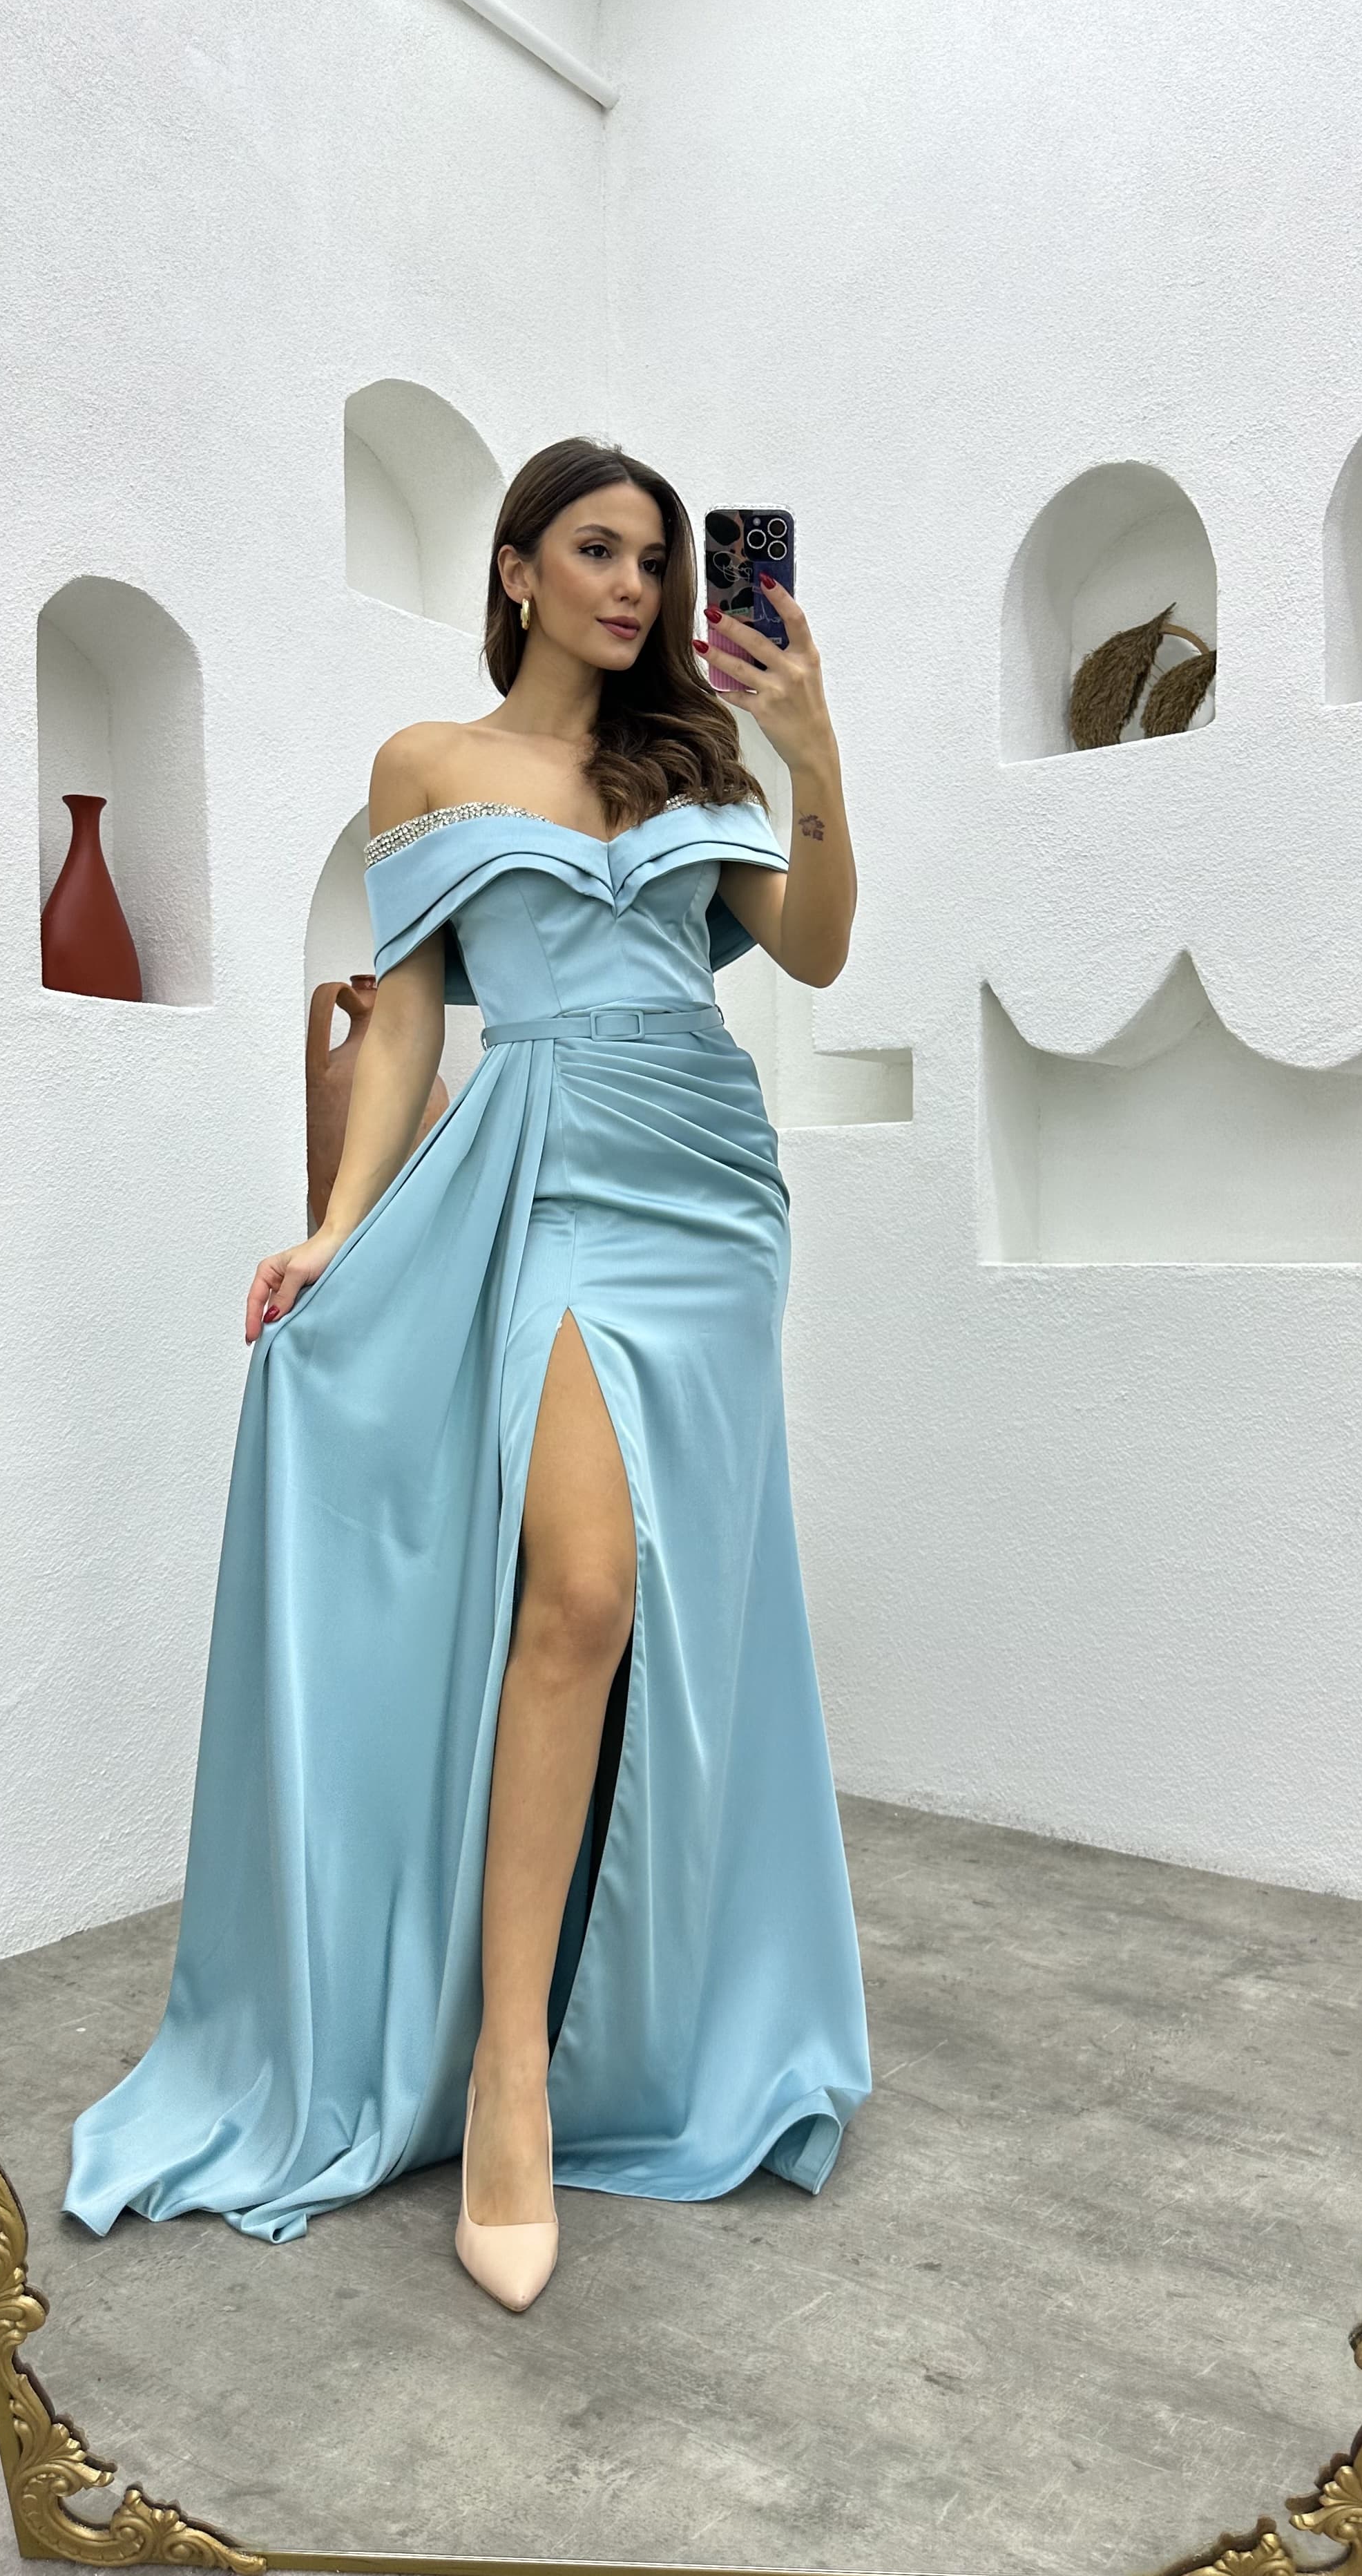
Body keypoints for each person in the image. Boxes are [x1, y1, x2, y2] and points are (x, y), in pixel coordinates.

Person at [64, 436, 872, 2311]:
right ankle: (509, 2078)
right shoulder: (425, 767)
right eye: (597, 549)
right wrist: (338, 1224)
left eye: (658, 561)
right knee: (577, 1591)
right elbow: (415, 1009)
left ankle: (628, 2023)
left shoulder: (698, 760)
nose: (635, 586)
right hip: (546, 1175)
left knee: (668, 1611)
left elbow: (818, 957)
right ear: (514, 569)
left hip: (709, 1194)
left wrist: (814, 752)